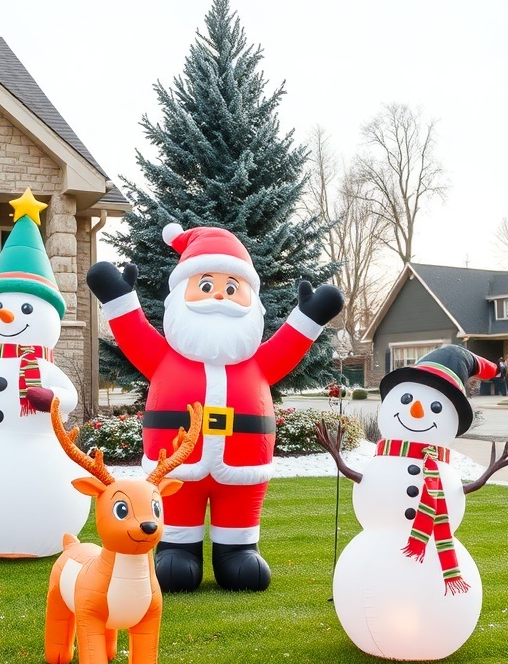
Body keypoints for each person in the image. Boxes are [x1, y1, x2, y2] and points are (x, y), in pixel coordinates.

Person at [87, 223, 343, 593]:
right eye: (205, 286)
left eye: (231, 288)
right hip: (178, 467)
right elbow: (133, 333)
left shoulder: (257, 363)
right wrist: (118, 298)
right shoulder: (164, 359)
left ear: (250, 299)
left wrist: (311, 316)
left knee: (240, 535)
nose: (219, 297)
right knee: (177, 539)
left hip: (243, 467)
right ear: (182, 294)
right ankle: (176, 550)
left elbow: (289, 345)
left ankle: (238, 552)